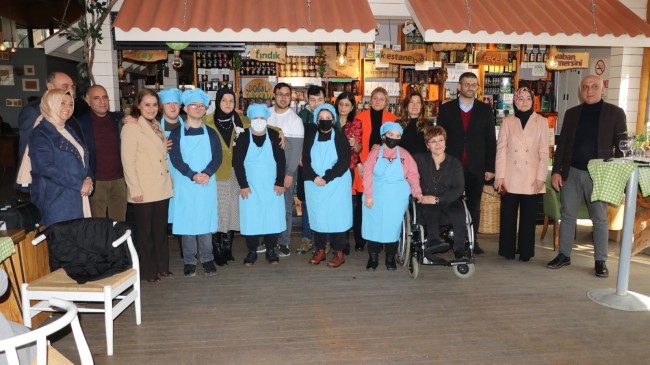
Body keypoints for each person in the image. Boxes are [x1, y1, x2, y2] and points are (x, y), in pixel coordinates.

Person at [547, 75, 627, 277]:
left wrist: (616, 178)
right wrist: (556, 171)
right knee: (567, 215)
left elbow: (621, 149)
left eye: (594, 87)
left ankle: (600, 261)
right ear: (580, 91)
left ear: (603, 88)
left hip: (598, 174)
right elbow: (562, 145)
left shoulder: (615, 113)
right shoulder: (572, 113)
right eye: (585, 87)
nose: (589, 91)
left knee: (599, 218)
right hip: (571, 172)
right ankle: (564, 255)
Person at [437, 72, 496, 255]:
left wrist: (490, 168)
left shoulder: (486, 110)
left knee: (474, 205)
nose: (470, 87)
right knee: (450, 203)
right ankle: (451, 238)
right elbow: (440, 138)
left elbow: (490, 141)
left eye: (474, 84)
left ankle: (472, 240)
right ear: (459, 87)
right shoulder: (446, 109)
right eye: (467, 84)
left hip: (476, 167)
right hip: (452, 167)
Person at [121, 88, 173, 283]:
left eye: (154, 104)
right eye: (147, 105)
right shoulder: (132, 127)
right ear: (138, 106)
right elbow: (128, 161)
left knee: (160, 230)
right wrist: (135, 189)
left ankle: (163, 266)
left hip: (160, 186)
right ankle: (148, 271)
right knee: (145, 233)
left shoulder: (156, 125)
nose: (151, 109)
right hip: (143, 188)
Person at [168, 88, 222, 277]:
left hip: (206, 183)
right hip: (186, 182)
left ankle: (207, 259)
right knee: (187, 224)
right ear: (185, 108)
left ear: (205, 109)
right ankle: (190, 261)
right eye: (194, 105)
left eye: (201, 106)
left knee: (205, 223)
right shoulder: (176, 134)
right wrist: (192, 175)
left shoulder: (212, 134)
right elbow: (175, 158)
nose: (198, 108)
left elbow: (217, 157)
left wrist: (206, 173)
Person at [494, 87, 548, 262]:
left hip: (531, 176)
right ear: (515, 101)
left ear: (533, 101)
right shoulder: (507, 121)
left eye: (528, 99)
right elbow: (501, 150)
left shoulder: (541, 121)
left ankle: (525, 252)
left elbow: (543, 153)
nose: (524, 102)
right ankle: (507, 250)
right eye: (520, 99)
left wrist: (541, 177)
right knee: (508, 215)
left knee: (528, 218)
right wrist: (499, 177)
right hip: (510, 175)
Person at [27, 89, 92, 227]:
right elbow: (45, 167)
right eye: (62, 103)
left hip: (76, 196)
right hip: (57, 200)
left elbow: (81, 158)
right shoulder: (41, 133)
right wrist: (79, 184)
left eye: (70, 104)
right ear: (50, 104)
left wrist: (88, 178)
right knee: (64, 244)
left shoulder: (67, 129)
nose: (67, 108)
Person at [362, 121, 422, 270]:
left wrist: (417, 192)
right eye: (390, 135)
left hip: (396, 197)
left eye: (397, 136)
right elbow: (367, 173)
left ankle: (390, 258)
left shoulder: (405, 155)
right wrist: (368, 195)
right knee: (373, 226)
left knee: (393, 227)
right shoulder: (375, 153)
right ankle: (373, 258)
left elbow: (413, 175)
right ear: (384, 136)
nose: (394, 138)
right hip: (375, 194)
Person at [233, 104, 286, 266]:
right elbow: (237, 162)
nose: (258, 121)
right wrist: (243, 185)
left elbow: (281, 160)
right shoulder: (242, 137)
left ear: (266, 119)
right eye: (255, 118)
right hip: (250, 187)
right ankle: (251, 251)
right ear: (250, 119)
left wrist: (279, 182)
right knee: (251, 219)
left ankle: (271, 250)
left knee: (272, 218)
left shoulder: (274, 136)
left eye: (262, 118)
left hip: (272, 186)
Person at [203, 88, 250, 265]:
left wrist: (279, 131)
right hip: (217, 172)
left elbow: (262, 125)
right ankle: (217, 249)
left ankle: (228, 248)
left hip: (237, 172)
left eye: (231, 100)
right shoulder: (207, 121)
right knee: (219, 211)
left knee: (233, 210)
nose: (228, 104)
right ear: (218, 102)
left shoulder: (242, 121)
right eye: (224, 100)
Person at [302, 104, 352, 268]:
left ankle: (339, 252)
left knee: (337, 218)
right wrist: (314, 177)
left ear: (333, 120)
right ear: (316, 120)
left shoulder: (340, 137)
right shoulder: (310, 137)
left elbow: (344, 162)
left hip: (336, 182)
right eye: (321, 118)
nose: (324, 121)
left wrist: (327, 177)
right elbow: (305, 160)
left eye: (328, 118)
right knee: (318, 217)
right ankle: (320, 249)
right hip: (315, 183)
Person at [353, 87, 397, 251]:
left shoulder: (393, 119)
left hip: (384, 169)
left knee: (381, 204)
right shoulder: (359, 117)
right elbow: (354, 143)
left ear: (386, 102)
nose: (378, 101)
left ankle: (380, 237)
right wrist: (358, 163)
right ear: (370, 100)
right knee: (361, 205)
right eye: (375, 98)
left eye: (382, 99)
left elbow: (396, 144)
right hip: (363, 166)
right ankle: (360, 239)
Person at [415, 125, 467, 261]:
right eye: (433, 141)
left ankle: (460, 249)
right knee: (428, 208)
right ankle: (433, 242)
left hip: (449, 200)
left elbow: (458, 188)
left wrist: (437, 199)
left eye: (440, 140)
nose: (437, 144)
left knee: (459, 212)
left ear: (445, 142)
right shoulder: (419, 160)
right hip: (426, 200)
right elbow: (404, 167)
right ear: (427, 145)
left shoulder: (454, 163)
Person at [18, 72, 83, 179]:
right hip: (48, 183)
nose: (71, 90)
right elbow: (28, 149)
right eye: (65, 86)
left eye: (72, 87)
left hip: (71, 177)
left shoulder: (68, 110)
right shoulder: (33, 110)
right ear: (50, 87)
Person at [78, 85, 127, 222]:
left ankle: (117, 244)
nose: (102, 101)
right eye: (96, 98)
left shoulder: (118, 119)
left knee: (119, 223)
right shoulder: (80, 124)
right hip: (95, 182)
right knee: (98, 225)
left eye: (105, 97)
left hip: (119, 180)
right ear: (88, 101)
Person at [266, 83, 304, 256]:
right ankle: (267, 241)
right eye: (280, 94)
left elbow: (296, 151)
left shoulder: (295, 120)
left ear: (291, 97)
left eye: (287, 95)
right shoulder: (265, 115)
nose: (283, 97)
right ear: (273, 95)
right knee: (266, 205)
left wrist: (289, 174)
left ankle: (283, 242)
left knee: (285, 207)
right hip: (265, 171)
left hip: (286, 171)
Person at [295, 86, 326, 254]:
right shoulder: (301, 117)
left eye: (319, 100)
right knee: (307, 202)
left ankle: (325, 239)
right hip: (306, 166)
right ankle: (306, 238)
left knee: (324, 202)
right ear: (307, 100)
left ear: (325, 99)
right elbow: (296, 139)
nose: (316, 104)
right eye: (312, 100)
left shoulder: (329, 115)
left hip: (325, 166)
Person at [337, 91, 362, 254]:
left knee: (345, 206)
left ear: (352, 107)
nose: (343, 107)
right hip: (329, 168)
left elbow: (359, 149)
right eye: (341, 104)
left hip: (347, 169)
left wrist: (354, 144)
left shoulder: (356, 123)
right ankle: (332, 240)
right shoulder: (330, 119)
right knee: (333, 206)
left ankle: (344, 241)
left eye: (347, 104)